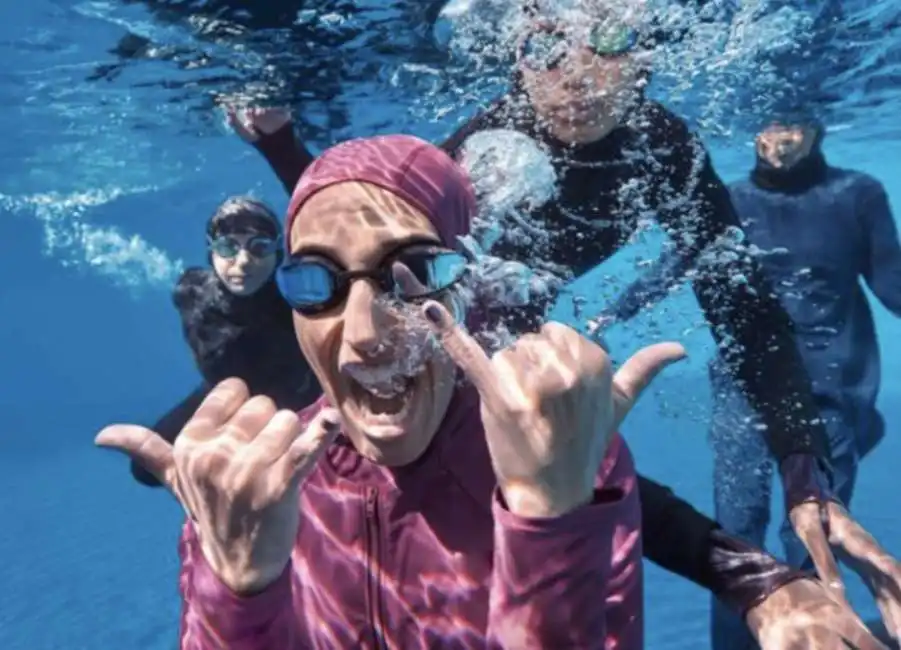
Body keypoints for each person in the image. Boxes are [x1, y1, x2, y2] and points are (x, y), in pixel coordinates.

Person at [231, 0, 901, 627]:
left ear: (644, 54)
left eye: (608, 39)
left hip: (507, 342)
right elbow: (361, 225)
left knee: (555, 456)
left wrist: (804, 476)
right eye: (545, 44)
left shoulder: (662, 146)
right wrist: (280, 146)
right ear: (515, 55)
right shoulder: (483, 143)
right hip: (439, 331)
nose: (574, 73)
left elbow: (745, 312)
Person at [100, 135, 894, 649]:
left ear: (467, 287)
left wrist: (555, 525)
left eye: (411, 276)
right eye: (317, 282)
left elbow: (645, 500)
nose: (365, 330)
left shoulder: (541, 460)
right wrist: (236, 591)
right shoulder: (255, 487)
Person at [706, 116, 901, 650]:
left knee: (814, 535)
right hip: (741, 384)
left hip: (832, 392)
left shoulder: (856, 193)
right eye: (767, 126)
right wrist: (602, 318)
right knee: (736, 534)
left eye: (792, 125)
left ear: (817, 129)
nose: (779, 139)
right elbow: (679, 264)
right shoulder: (730, 197)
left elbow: (892, 283)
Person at [130, 196, 321, 487]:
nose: (243, 261)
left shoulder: (296, 306)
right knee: (145, 468)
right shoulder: (191, 291)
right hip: (219, 394)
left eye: (259, 247)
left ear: (278, 254)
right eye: (228, 246)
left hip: (293, 409)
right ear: (212, 253)